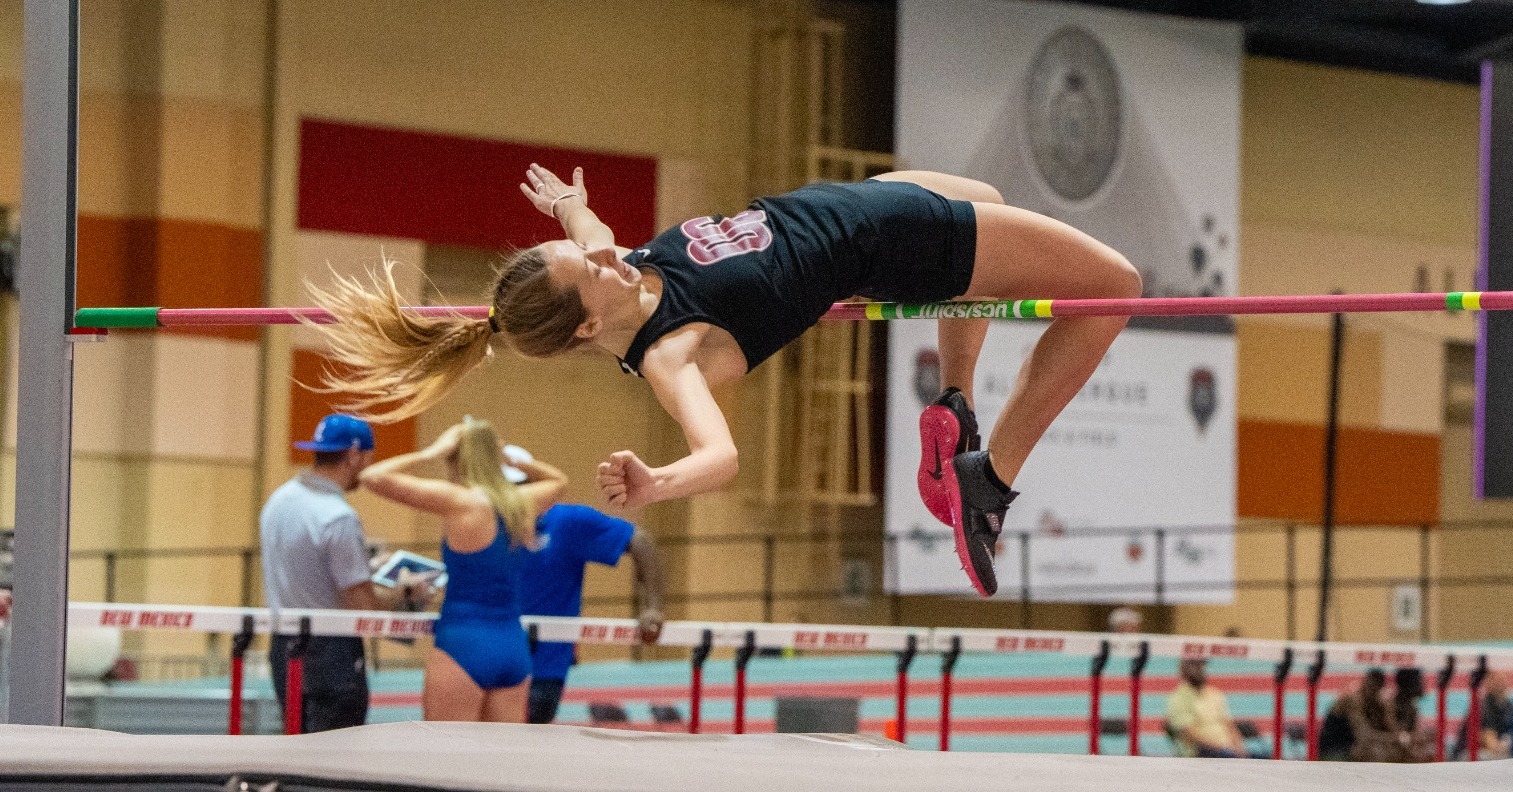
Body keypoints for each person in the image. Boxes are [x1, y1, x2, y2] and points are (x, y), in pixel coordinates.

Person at [306, 164, 1141, 598]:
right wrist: (654, 480)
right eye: (589, 267)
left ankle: (953, 408)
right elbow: (720, 457)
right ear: (592, 327)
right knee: (1113, 287)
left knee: (986, 194)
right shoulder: (674, 351)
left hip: (853, 204)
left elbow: (591, 229)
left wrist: (567, 209)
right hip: (891, 240)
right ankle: (989, 478)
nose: (606, 251)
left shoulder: (621, 272)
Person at [358, 418, 567, 722]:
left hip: (463, 643)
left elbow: (372, 476)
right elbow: (559, 480)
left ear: (456, 458)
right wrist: (510, 458)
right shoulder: (522, 502)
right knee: (500, 763)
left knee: (445, 761)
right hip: (512, 645)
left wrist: (431, 452)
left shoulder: (459, 502)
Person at [261, 414, 432, 733]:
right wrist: (404, 592)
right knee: (336, 755)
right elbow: (362, 606)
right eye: (368, 459)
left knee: (295, 746)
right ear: (354, 456)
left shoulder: (279, 500)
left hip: (283, 646)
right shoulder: (338, 517)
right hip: (330, 655)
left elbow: (307, 569)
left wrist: (365, 566)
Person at [514, 473, 667, 723]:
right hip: (485, 655)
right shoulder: (487, 522)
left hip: (542, 667)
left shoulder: (567, 522)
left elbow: (641, 542)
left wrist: (654, 608)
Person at [1166, 658, 1263, 759]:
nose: (1198, 670)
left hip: (1228, 749)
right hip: (1202, 752)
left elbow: (1229, 726)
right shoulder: (1177, 699)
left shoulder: (1215, 694)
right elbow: (1188, 734)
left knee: (1262, 758)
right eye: (1194, 666)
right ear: (1183, 669)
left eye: (1200, 666)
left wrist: (1241, 751)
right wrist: (1220, 747)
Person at [1319, 668, 1388, 762]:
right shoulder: (1353, 701)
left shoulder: (1374, 703)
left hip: (1348, 746)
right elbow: (1364, 735)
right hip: (1335, 751)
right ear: (1365, 684)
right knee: (1376, 754)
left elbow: (1383, 727)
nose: (1373, 691)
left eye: (1375, 689)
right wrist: (1396, 739)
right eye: (1370, 687)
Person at [1454, 669, 1512, 760]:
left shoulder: (1508, 706)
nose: (1502, 682)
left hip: (1496, 750)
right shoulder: (1484, 705)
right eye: (1498, 679)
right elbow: (1490, 741)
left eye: (1504, 679)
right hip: (1468, 753)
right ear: (1488, 682)